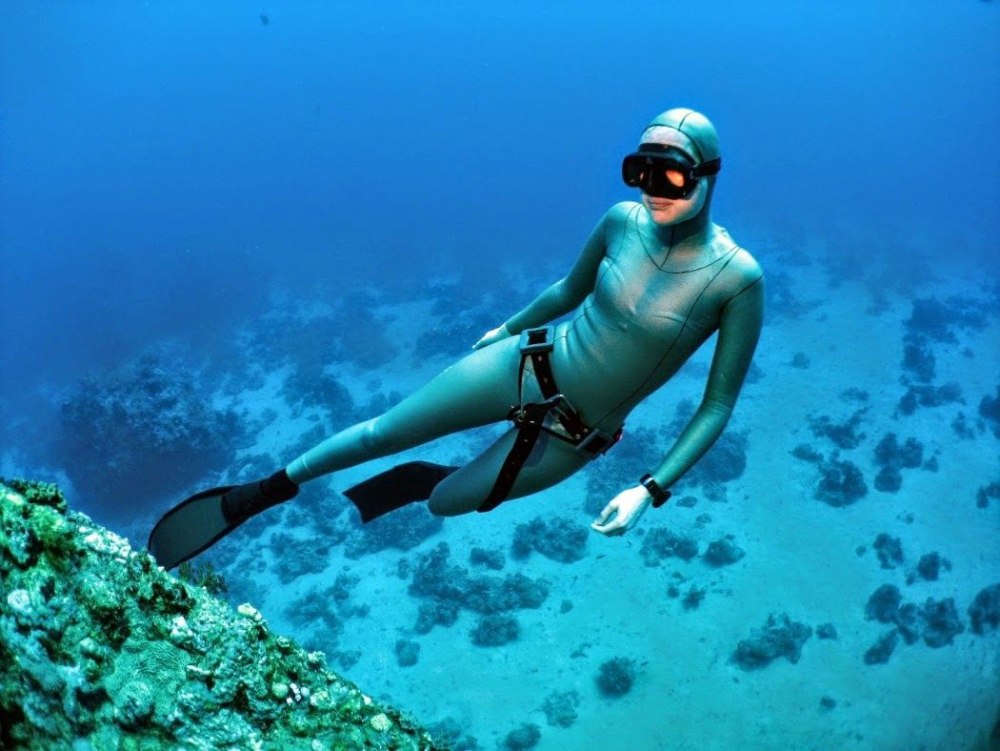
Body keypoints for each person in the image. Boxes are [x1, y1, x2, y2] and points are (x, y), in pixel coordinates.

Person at [148, 107, 764, 570]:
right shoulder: (621, 221)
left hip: (576, 433)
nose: (653, 190)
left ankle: (431, 475)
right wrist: (507, 329)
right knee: (382, 431)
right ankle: (261, 491)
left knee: (444, 502)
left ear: (708, 177)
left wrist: (649, 489)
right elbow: (566, 291)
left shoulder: (736, 279)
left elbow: (716, 406)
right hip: (528, 362)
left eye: (673, 177)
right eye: (641, 172)